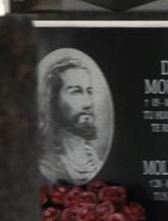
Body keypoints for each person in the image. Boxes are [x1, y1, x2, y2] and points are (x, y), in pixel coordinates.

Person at [37, 49, 112, 185]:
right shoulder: (45, 164)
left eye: (89, 91)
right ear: (53, 100)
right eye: (76, 91)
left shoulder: (95, 161)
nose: (88, 103)